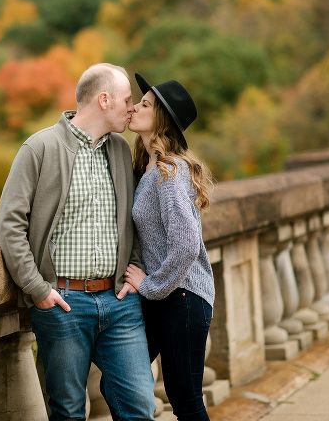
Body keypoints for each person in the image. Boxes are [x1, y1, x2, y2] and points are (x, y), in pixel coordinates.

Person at [0, 63, 157, 421]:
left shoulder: (119, 149)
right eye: (127, 100)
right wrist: (37, 288)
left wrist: (137, 268)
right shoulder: (40, 147)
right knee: (68, 412)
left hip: (120, 304)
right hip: (64, 304)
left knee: (140, 407)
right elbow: (8, 224)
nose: (132, 108)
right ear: (104, 100)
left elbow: (134, 217)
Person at [122, 73, 215, 421]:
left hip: (183, 298)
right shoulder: (146, 168)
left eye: (144, 104)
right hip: (163, 299)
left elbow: (187, 244)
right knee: (118, 384)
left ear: (160, 119)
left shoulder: (169, 171)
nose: (134, 106)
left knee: (185, 400)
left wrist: (150, 284)